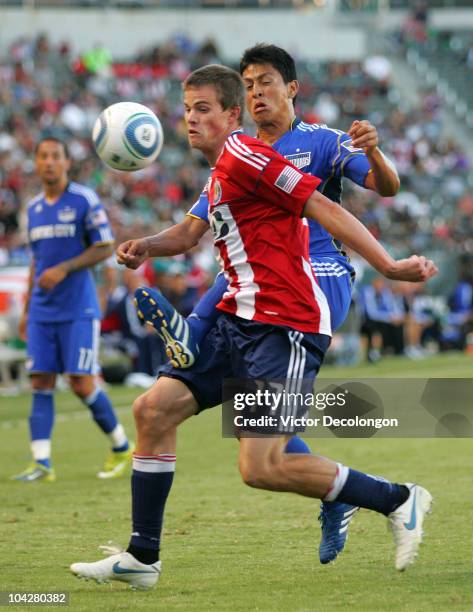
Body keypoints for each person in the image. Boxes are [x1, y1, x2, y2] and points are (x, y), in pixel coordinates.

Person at [70, 65, 436, 589]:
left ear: (231, 115)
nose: (191, 119)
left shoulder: (249, 156)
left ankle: (398, 498)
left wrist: (389, 265)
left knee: (260, 467)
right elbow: (191, 231)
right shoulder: (222, 170)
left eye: (203, 109)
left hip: (282, 324)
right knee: (152, 409)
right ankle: (142, 557)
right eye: (187, 108)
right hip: (238, 316)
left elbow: (321, 205)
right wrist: (147, 245)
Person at [12, 137, 133, 482]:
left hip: (77, 308)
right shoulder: (33, 209)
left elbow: (105, 246)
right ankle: (42, 463)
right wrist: (26, 310)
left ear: (66, 163)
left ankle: (121, 445)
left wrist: (65, 269)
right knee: (40, 381)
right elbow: (37, 261)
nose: (49, 162)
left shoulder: (83, 200)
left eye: (55, 156)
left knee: (81, 383)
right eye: (43, 156)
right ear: (36, 163)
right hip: (42, 312)